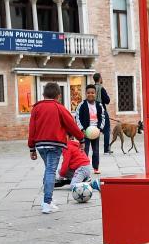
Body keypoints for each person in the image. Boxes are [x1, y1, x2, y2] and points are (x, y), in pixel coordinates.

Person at [28, 81, 84, 214]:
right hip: (55, 144)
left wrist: (31, 148)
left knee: (48, 170)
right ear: (58, 95)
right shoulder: (59, 107)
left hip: (40, 145)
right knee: (51, 171)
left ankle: (47, 199)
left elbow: (31, 128)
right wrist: (81, 138)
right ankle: (47, 203)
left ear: (43, 94)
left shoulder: (36, 108)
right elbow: (71, 124)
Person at [75, 84, 105, 173]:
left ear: (95, 94)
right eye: (88, 93)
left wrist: (100, 128)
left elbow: (102, 117)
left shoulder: (99, 105)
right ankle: (84, 168)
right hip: (85, 132)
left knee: (95, 151)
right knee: (85, 150)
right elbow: (77, 117)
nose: (90, 94)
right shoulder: (82, 105)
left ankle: (96, 168)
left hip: (95, 131)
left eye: (92, 93)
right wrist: (81, 129)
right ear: (85, 94)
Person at [93, 72, 112, 155]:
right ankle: (106, 150)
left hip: (93, 111)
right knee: (107, 130)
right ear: (100, 79)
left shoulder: (91, 88)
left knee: (95, 130)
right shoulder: (101, 88)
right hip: (102, 111)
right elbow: (107, 100)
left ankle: (95, 149)